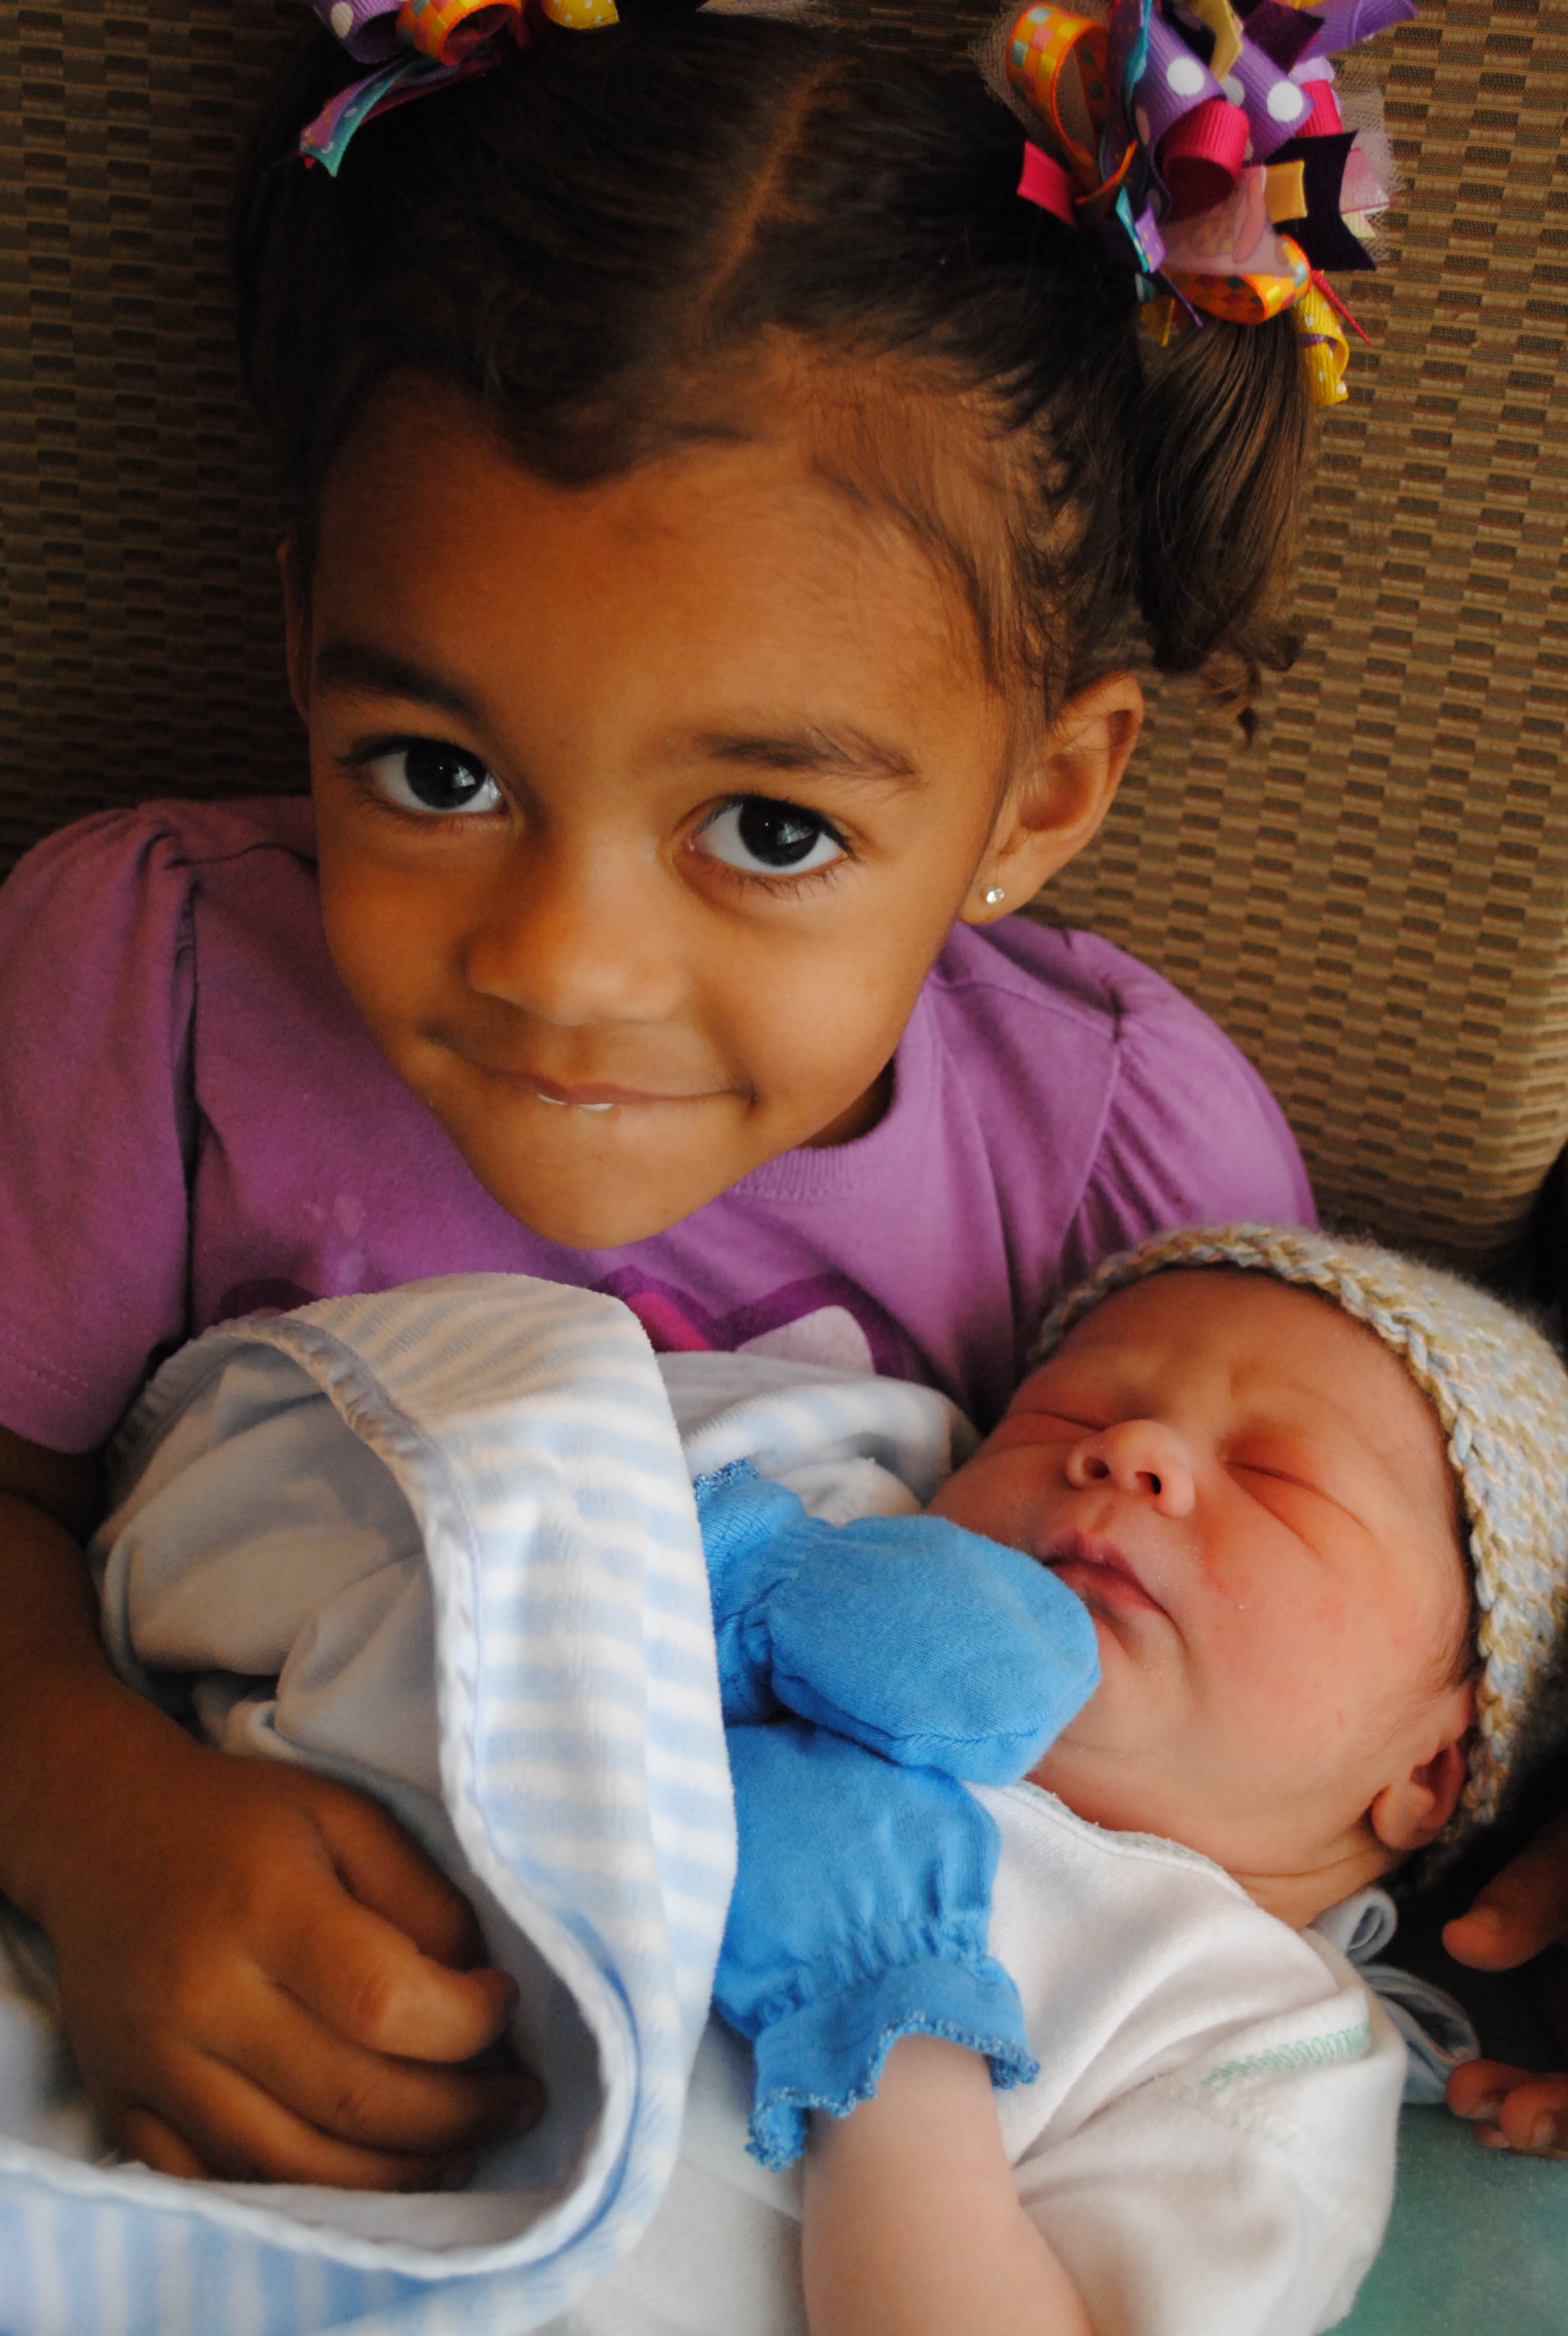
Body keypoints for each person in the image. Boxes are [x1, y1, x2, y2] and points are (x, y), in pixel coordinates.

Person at [0, 0, 1347, 2192]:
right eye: (436, 773)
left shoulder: (1122, 1157)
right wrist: (87, 1810)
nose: (561, 961)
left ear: (1041, 797)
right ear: (306, 639)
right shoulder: (143, 982)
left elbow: (1342, 1638)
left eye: (769, 830)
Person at [23, 1222, 1566, 2336]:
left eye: (1278, 1476)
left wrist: (893, 2023)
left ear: (1429, 1770)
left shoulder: (1258, 2040)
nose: (1134, 1450)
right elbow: (413, 1510)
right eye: (1070, 1414)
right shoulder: (802, 1532)